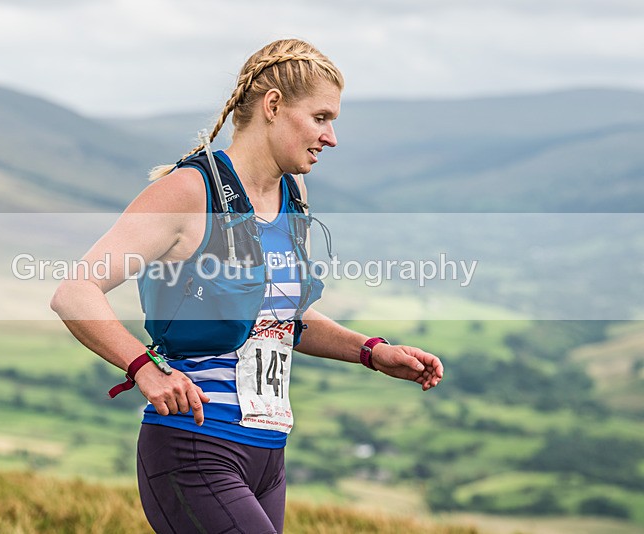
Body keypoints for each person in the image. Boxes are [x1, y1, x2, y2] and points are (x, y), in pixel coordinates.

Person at [51, 38, 443, 534]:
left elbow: (279, 319)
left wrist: (371, 351)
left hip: (268, 458)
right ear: (274, 105)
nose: (332, 137)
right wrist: (147, 371)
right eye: (321, 117)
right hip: (195, 448)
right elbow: (74, 291)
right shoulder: (189, 192)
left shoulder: (292, 194)